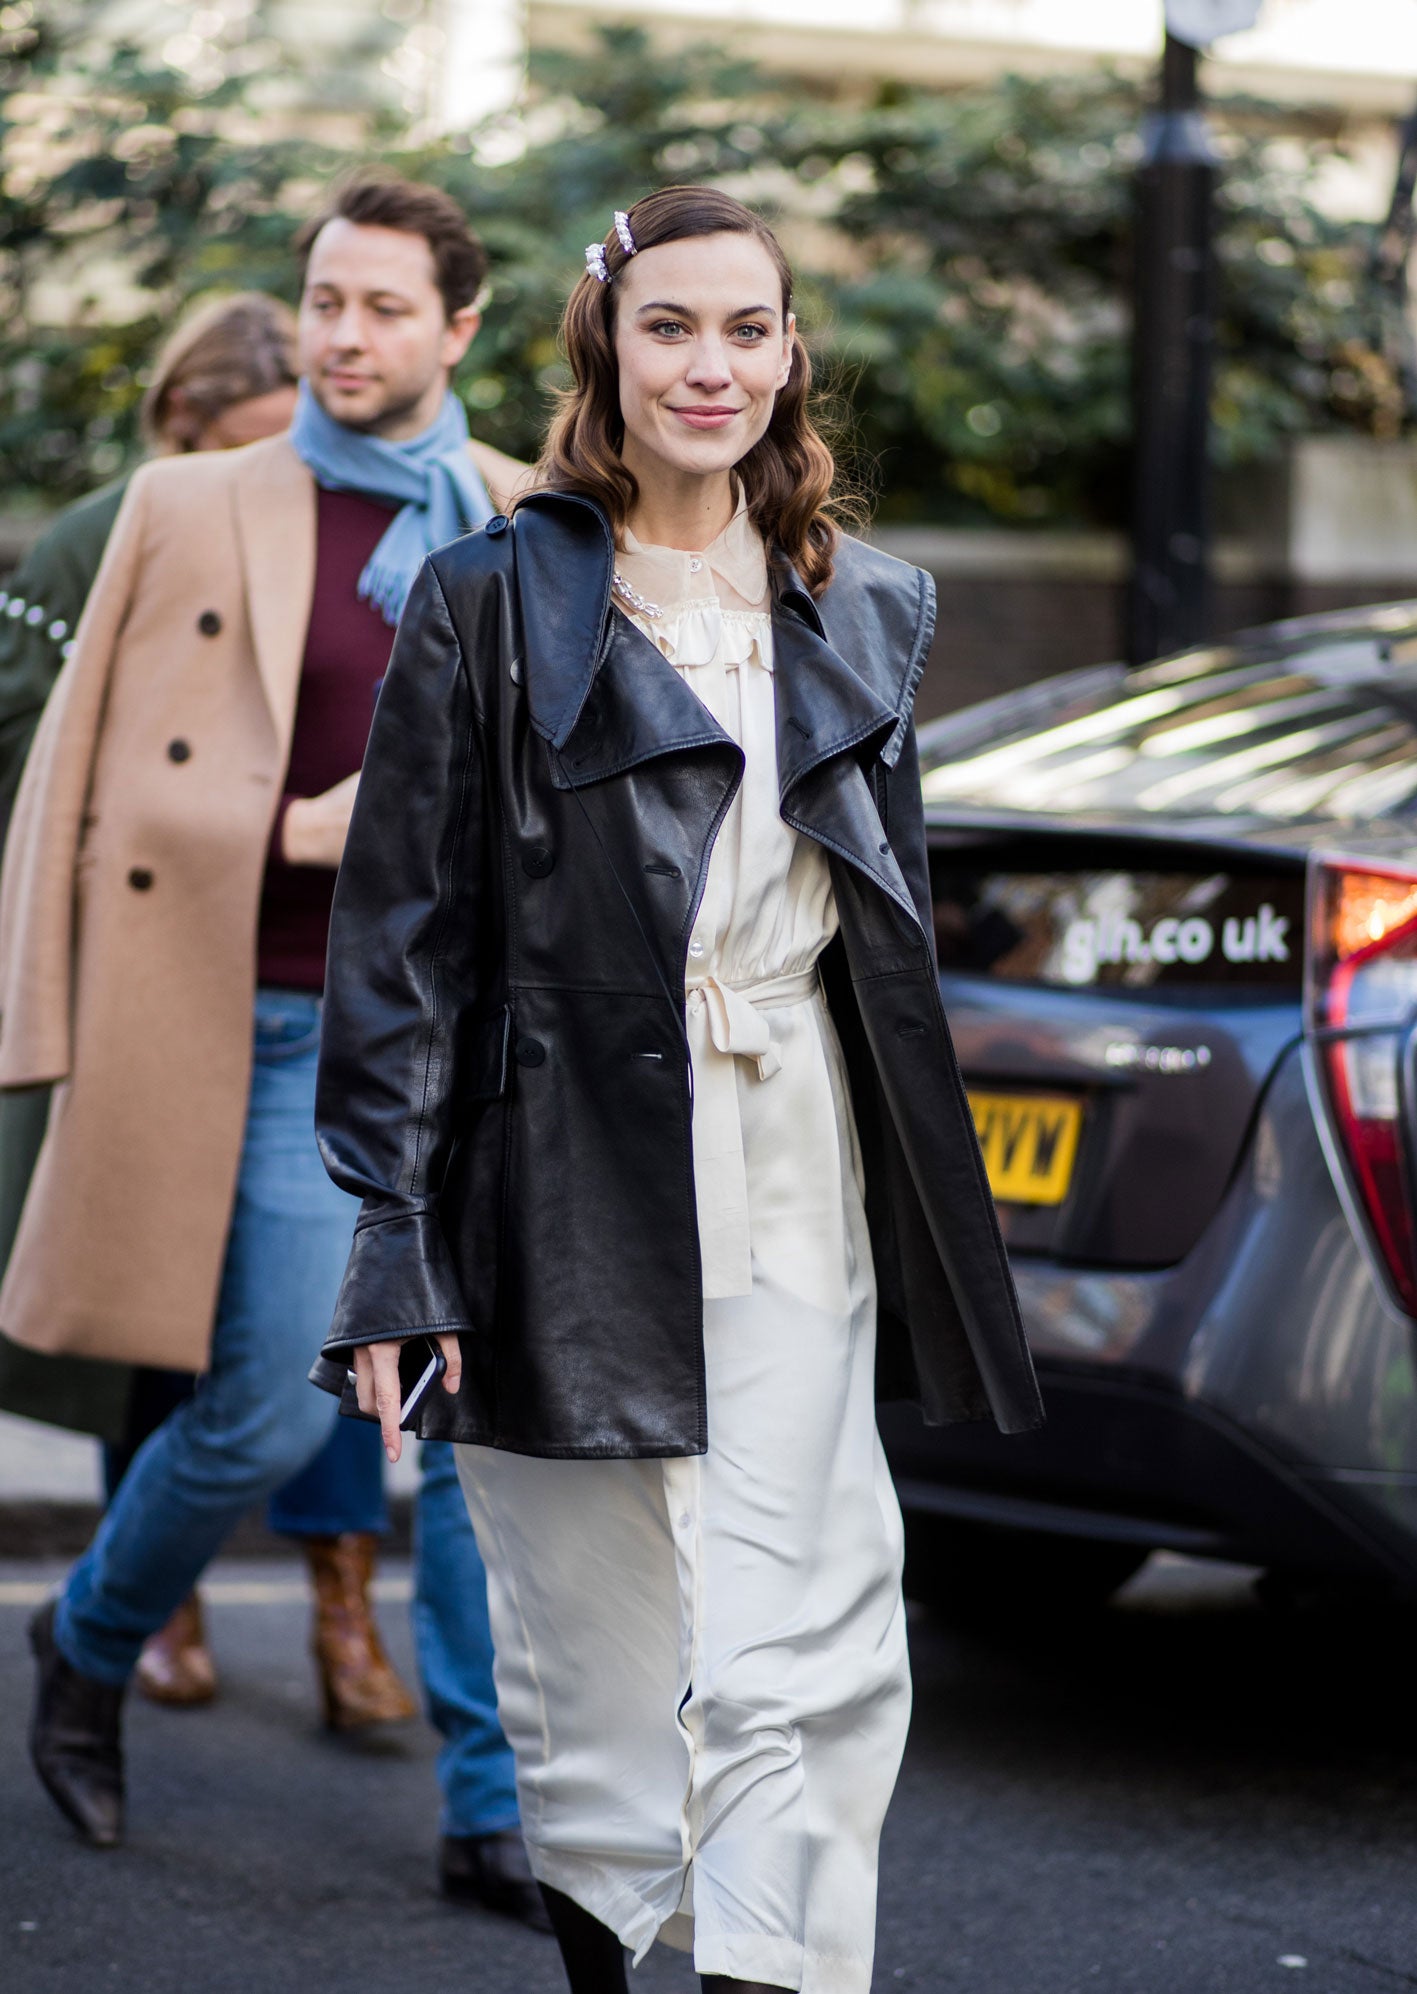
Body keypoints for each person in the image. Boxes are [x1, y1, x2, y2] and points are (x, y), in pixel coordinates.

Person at [310, 185, 1044, 1994]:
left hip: (793, 1150)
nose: (707, 365)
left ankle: (772, 1972)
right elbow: (400, 934)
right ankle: (617, 1951)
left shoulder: (862, 606)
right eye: (668, 327)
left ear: (791, 355)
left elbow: (884, 930)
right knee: (605, 1637)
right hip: (557, 1166)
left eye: (745, 329)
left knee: (812, 1636)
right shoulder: (484, 598)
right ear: (604, 348)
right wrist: (394, 1235)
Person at [9, 172, 542, 1922]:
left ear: (457, 329)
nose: (345, 334)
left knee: (469, 1442)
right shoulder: (188, 505)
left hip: (464, 1040)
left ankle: (492, 1813)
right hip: (276, 1019)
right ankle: (83, 1642)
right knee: (250, 1410)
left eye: (386, 307)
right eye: (326, 298)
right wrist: (295, 835)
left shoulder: (520, 522)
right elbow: (84, 781)